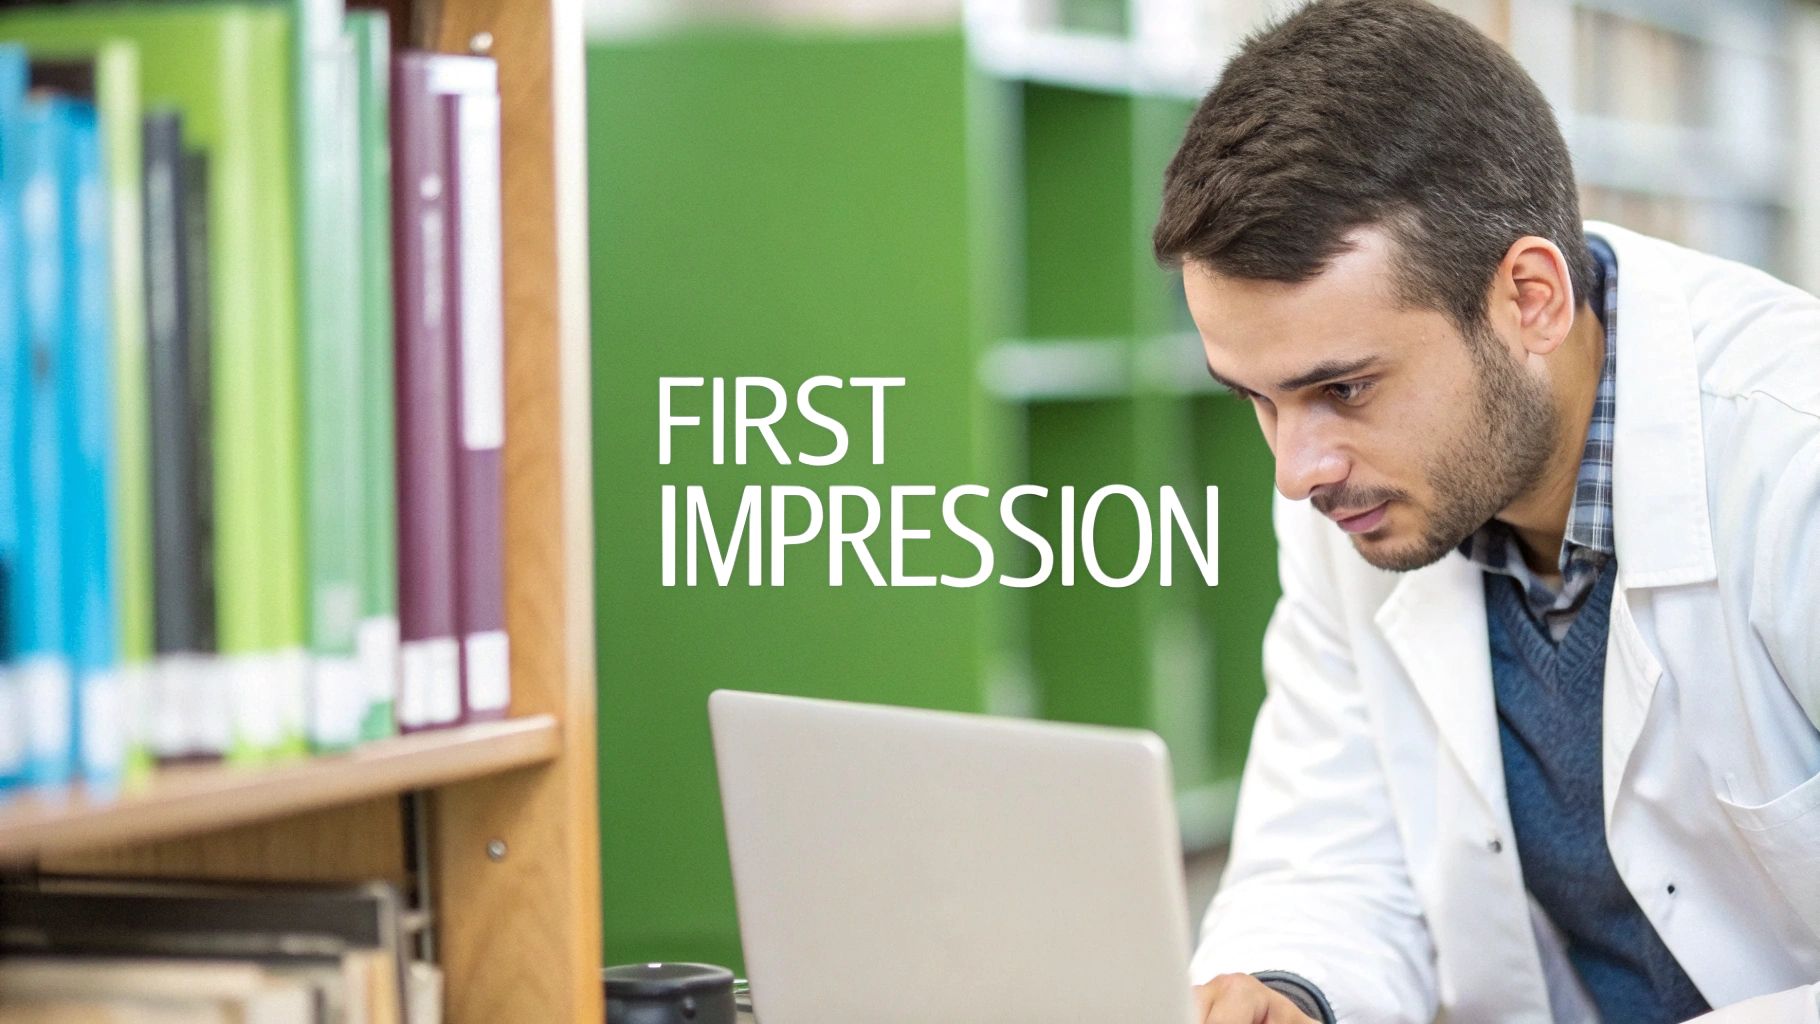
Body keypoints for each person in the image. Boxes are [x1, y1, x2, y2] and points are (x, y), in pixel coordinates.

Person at [1151, 1, 1820, 1021]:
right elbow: (1331, 847)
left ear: (1529, 299)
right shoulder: (1356, 486)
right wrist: (1291, 985)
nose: (1295, 469)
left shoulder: (1789, 456)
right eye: (1254, 397)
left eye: (1344, 386)